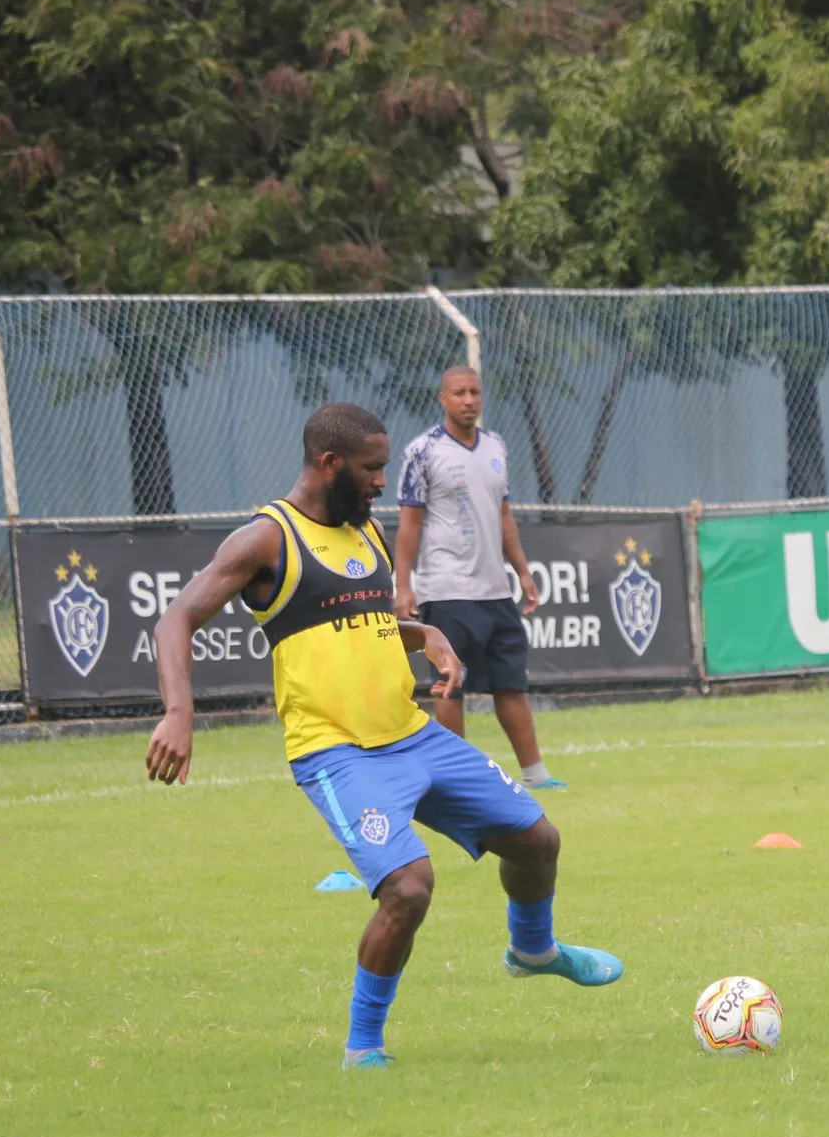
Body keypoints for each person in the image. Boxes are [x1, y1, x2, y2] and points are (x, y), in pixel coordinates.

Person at [144, 403, 621, 1072]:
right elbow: (176, 619)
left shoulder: (363, 532)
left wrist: (424, 635)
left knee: (538, 840)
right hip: (338, 754)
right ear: (329, 464)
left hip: (412, 735)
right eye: (372, 469)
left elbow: (362, 626)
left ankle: (533, 951)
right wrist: (178, 712)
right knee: (408, 888)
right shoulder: (267, 539)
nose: (383, 481)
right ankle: (363, 1045)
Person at [394, 366, 564, 790]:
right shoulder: (423, 451)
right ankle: (458, 778)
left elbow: (503, 514)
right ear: (443, 398)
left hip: (495, 590)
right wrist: (403, 584)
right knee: (451, 684)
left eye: (474, 392)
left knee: (511, 683)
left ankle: (536, 775)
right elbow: (410, 524)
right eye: (459, 393)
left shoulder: (496, 446)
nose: (468, 400)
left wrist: (522, 571)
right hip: (447, 587)